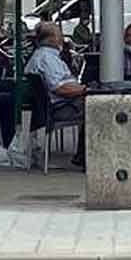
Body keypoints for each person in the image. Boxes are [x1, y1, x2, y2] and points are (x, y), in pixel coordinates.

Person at [27, 21, 87, 169]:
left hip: (57, 104)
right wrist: (86, 90)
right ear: (52, 38)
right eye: (60, 34)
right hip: (60, 107)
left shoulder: (43, 56)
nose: (63, 38)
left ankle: (82, 155)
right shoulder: (47, 59)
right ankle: (86, 156)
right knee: (98, 107)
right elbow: (60, 88)